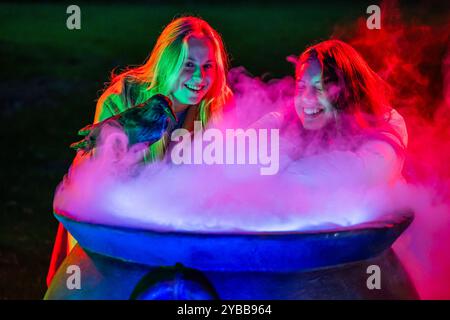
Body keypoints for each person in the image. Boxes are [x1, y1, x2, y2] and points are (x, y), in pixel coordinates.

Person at [46, 16, 233, 286]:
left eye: (207, 66)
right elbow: (99, 181)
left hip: (177, 233)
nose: (199, 77)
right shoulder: (123, 99)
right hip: (108, 232)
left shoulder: (216, 106)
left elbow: (218, 176)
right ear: (167, 62)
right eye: (188, 65)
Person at [263, 40, 408, 187]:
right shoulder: (290, 120)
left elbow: (361, 174)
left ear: (348, 92)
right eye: (301, 87)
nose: (306, 97)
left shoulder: (386, 121)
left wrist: (274, 170)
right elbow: (246, 158)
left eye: (320, 88)